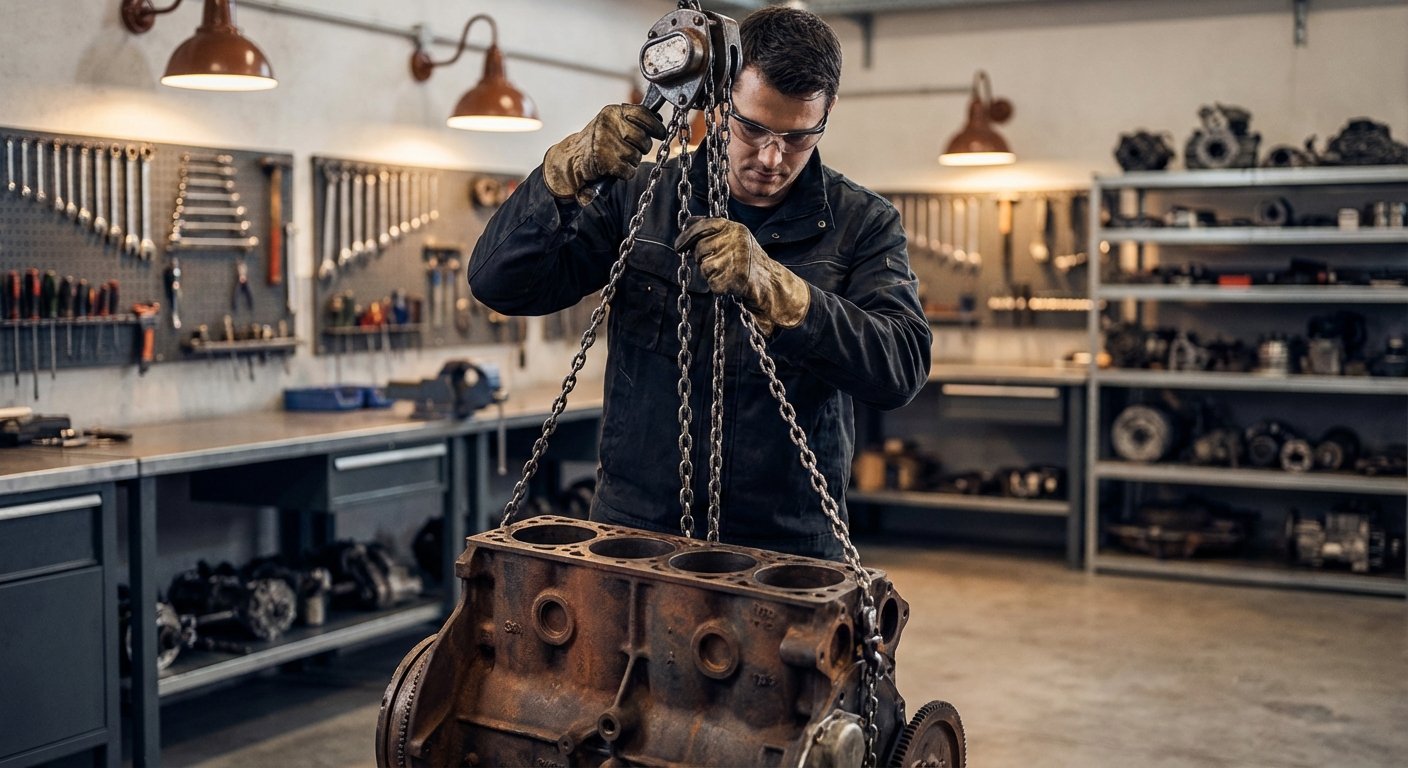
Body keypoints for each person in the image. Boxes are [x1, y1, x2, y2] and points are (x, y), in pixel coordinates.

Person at [469, 6, 930, 560]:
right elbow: (502, 284)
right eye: (752, 127)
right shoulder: (643, 196)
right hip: (636, 531)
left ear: (828, 111)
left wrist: (785, 295)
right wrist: (559, 180)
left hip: (786, 540)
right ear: (720, 100)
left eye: (797, 137)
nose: (771, 157)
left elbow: (900, 368)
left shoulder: (863, 223)